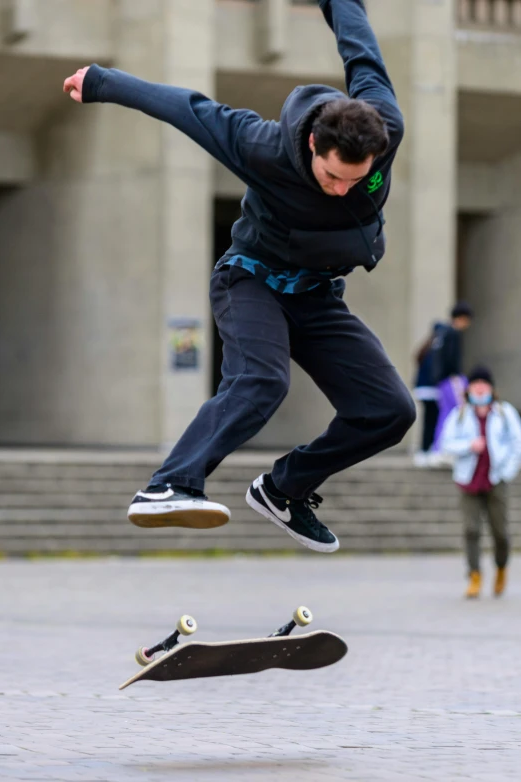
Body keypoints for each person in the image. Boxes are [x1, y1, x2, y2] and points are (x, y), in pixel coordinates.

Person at [63, 0, 416, 554]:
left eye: (355, 180)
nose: (341, 189)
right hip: (251, 280)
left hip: (318, 294)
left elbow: (361, 51)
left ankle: (284, 489)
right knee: (263, 380)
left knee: (390, 411)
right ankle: (169, 485)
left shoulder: (384, 126)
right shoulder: (262, 146)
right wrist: (102, 82)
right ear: (312, 146)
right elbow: (188, 107)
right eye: (330, 177)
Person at [441, 367, 521, 599]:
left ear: (491, 388)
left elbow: (517, 444)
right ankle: (474, 575)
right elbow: (446, 444)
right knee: (471, 530)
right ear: (469, 389)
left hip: (496, 479)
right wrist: (469, 445)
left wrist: (507, 471)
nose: (479, 388)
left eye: (483, 384)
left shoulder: (504, 413)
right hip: (469, 479)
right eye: (475, 384)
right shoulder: (460, 414)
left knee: (500, 532)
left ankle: (501, 567)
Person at [431, 301, 473, 454]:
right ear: (462, 318)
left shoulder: (442, 333)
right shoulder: (453, 333)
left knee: (445, 412)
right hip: (451, 379)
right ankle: (445, 448)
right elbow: (450, 358)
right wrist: (456, 376)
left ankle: (438, 448)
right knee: (457, 412)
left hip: (441, 380)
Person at [412, 321, 444, 466]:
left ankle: (426, 450)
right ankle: (426, 451)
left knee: (428, 420)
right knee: (432, 421)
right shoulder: (436, 348)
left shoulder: (426, 347)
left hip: (422, 390)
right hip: (432, 391)